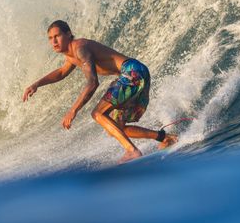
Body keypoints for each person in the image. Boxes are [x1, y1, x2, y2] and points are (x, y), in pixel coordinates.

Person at [23, 20, 177, 163]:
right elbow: (62, 72)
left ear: (68, 34)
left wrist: (73, 110)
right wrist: (37, 84)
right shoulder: (71, 56)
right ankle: (165, 138)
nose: (54, 41)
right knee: (117, 128)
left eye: (57, 36)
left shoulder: (80, 48)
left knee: (98, 114)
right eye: (50, 38)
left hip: (132, 72)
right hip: (135, 72)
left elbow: (92, 83)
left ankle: (132, 151)